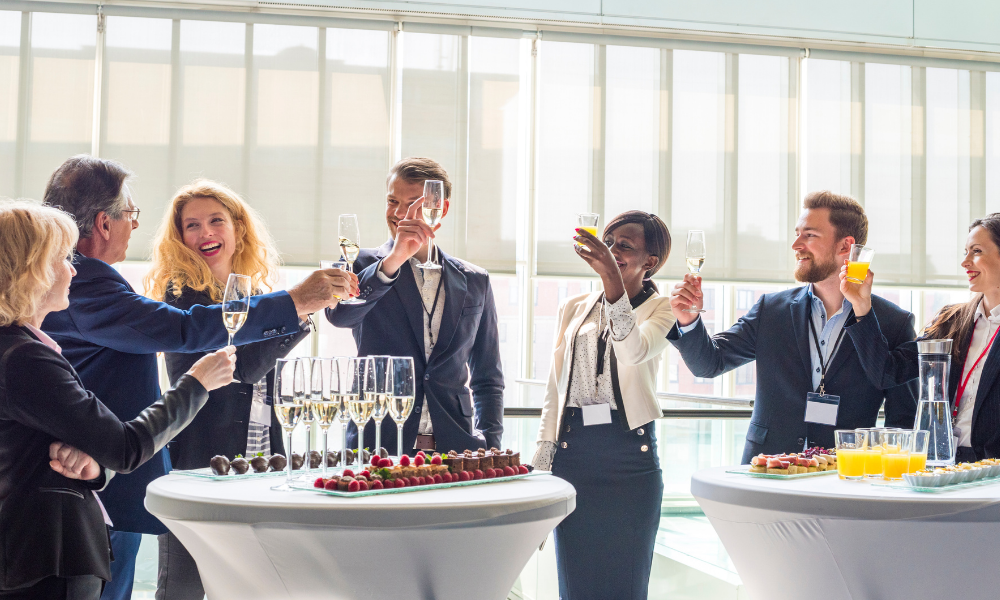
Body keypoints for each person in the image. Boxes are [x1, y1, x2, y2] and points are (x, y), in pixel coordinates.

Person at [40, 155, 354, 600]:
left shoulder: (88, 279)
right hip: (94, 477)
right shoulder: (88, 281)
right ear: (104, 224)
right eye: (130, 214)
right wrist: (297, 300)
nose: (135, 224)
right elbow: (188, 329)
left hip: (103, 472)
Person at [0, 200, 237, 600]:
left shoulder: (21, 349)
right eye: (63, 259)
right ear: (33, 270)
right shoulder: (24, 358)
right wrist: (197, 384)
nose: (74, 270)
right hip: (45, 560)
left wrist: (93, 466)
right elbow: (125, 447)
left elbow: (40, 452)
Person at [145, 180, 325, 600]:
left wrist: (296, 312)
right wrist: (299, 312)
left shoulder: (259, 298)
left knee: (253, 584)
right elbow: (240, 370)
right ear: (180, 238)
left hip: (259, 457)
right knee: (183, 586)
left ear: (238, 229)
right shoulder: (180, 302)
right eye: (192, 225)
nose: (205, 233)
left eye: (216, 221)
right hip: (200, 461)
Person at [668, 191, 918, 462]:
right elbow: (709, 363)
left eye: (809, 235)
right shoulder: (771, 310)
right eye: (797, 234)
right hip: (767, 468)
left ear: (845, 246)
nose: (795, 245)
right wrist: (688, 320)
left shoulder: (894, 323)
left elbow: (903, 422)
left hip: (844, 474)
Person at [531, 211, 674, 600]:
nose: (612, 251)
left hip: (629, 458)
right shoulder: (573, 306)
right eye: (608, 242)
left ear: (650, 261)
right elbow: (555, 387)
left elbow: (632, 352)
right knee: (575, 583)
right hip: (573, 455)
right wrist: (543, 456)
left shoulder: (663, 309)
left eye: (624, 246)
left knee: (626, 584)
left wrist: (612, 279)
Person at [325, 157, 504, 455]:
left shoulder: (475, 280)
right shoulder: (358, 264)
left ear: (440, 209)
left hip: (457, 452)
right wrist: (393, 260)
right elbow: (339, 315)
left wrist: (491, 446)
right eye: (392, 201)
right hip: (378, 447)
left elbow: (488, 377)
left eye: (412, 204)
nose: (399, 213)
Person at [842, 213, 1000, 462]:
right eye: (965, 252)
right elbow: (887, 372)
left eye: (976, 251)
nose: (965, 262)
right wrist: (861, 305)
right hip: (944, 462)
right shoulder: (952, 321)